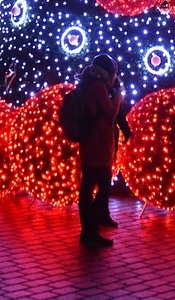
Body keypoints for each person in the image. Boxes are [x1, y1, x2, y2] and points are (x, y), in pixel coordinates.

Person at [76, 53, 124, 249]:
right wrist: (118, 98)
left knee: (89, 186)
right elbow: (110, 113)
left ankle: (89, 230)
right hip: (97, 144)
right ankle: (90, 230)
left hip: (92, 144)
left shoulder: (90, 84)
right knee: (102, 186)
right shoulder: (98, 87)